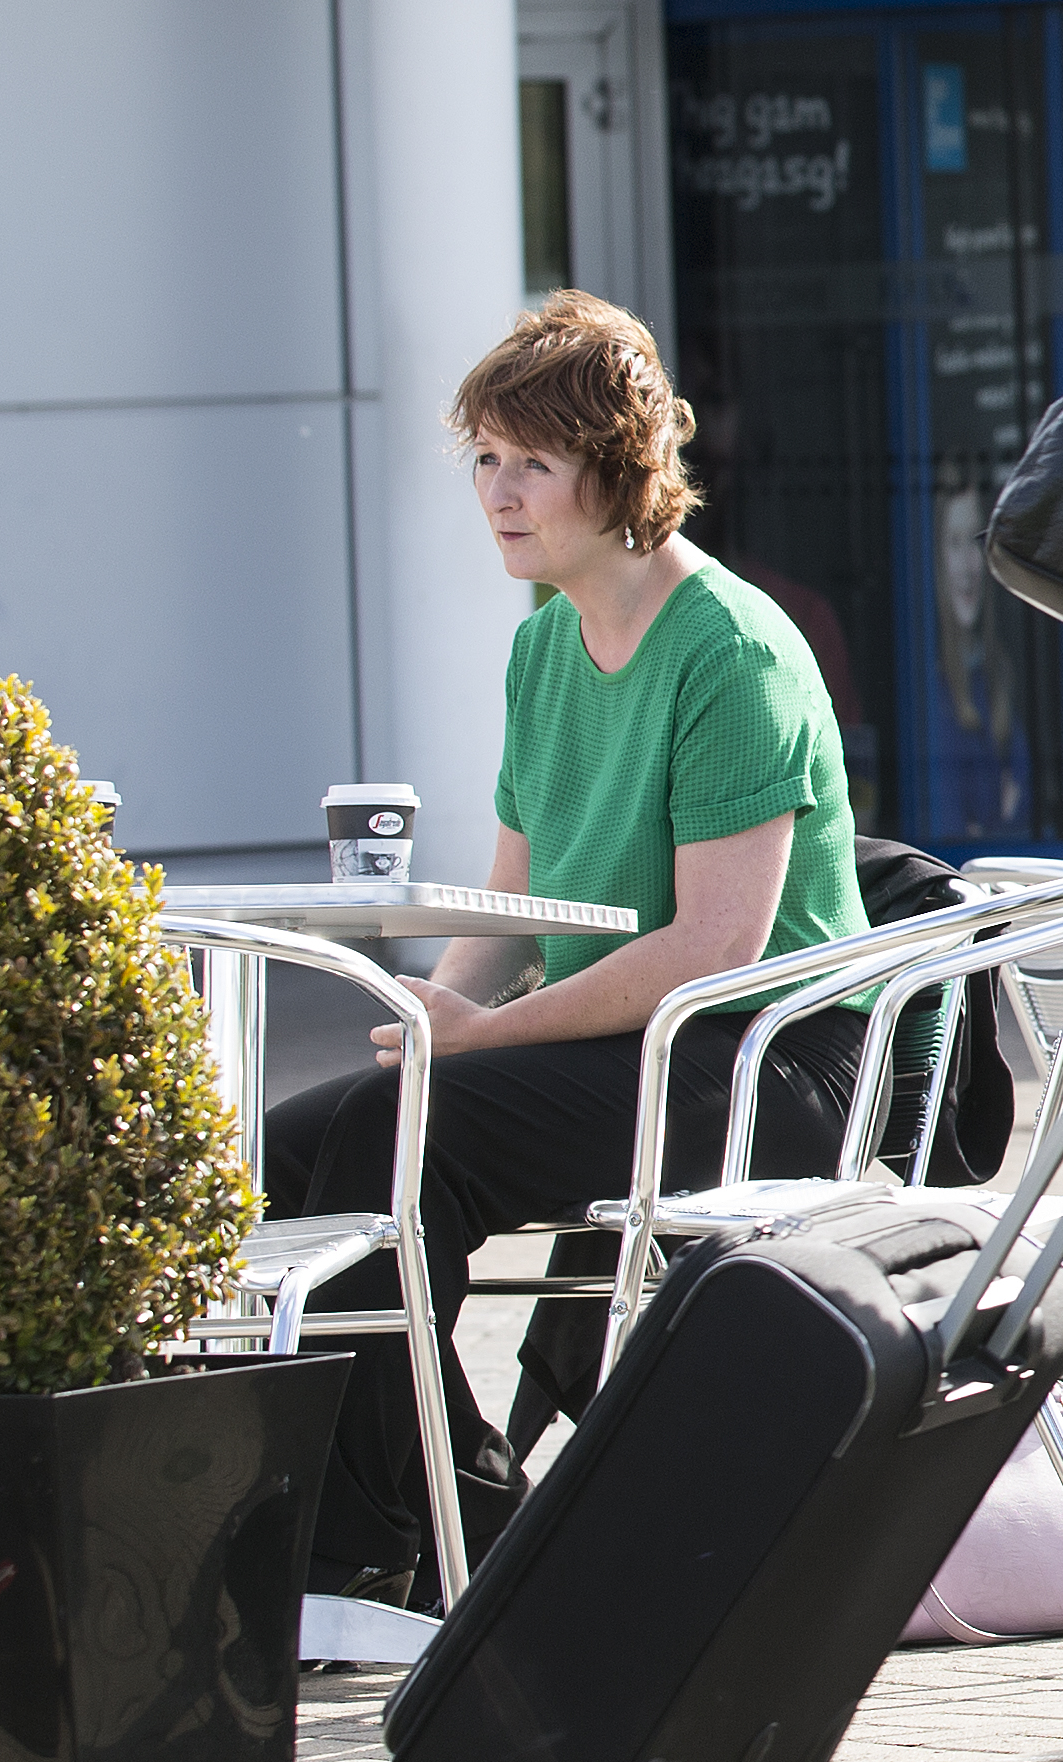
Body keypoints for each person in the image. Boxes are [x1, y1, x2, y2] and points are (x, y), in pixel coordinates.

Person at [259, 294, 872, 1598]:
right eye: (484, 458)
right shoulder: (544, 648)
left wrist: (486, 1038)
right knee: (290, 1147)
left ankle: (464, 1529)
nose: (499, 491)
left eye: (532, 461)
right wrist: (435, 1007)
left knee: (387, 1144)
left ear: (622, 469)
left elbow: (714, 950)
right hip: (627, 1044)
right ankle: (365, 1533)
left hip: (764, 1062)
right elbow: (516, 906)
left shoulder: (734, 650)